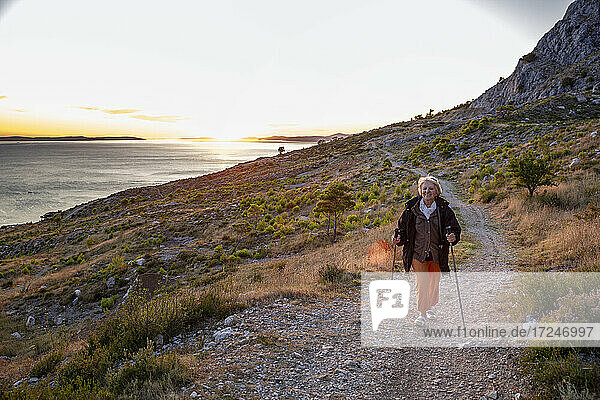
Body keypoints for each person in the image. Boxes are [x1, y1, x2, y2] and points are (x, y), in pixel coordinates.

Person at [393, 176, 461, 326]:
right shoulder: (412, 209)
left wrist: (452, 236)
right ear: (420, 191)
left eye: (431, 188)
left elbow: (455, 228)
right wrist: (399, 239)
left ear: (437, 191)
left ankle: (430, 306)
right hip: (417, 253)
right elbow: (402, 229)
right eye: (424, 188)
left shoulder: (444, 210)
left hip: (437, 252)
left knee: (433, 282)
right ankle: (422, 313)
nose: (427, 191)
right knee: (422, 282)